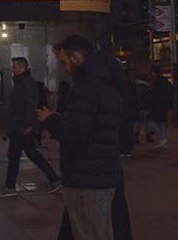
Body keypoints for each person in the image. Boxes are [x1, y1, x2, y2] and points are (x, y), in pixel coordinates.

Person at [37, 36, 122, 240]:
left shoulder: (86, 87)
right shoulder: (107, 82)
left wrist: (51, 120)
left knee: (89, 232)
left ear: (75, 57)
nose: (63, 68)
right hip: (101, 171)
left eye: (64, 61)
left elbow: (75, 131)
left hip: (87, 176)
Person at [0, 57, 61, 197]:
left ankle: (10, 186)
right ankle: (54, 179)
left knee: (14, 156)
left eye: (15, 67)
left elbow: (31, 105)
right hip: (19, 126)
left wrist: (28, 124)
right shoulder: (22, 83)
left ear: (23, 68)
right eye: (13, 66)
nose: (13, 69)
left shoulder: (26, 84)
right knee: (32, 154)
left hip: (21, 127)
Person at [149, 67, 173, 148]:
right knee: (160, 122)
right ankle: (163, 139)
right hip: (162, 105)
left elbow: (156, 94)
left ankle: (162, 138)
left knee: (152, 121)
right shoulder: (164, 82)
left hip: (158, 105)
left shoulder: (157, 83)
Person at [118, 69, 138, 157]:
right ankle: (128, 150)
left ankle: (122, 150)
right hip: (130, 112)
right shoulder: (131, 85)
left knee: (122, 132)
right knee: (129, 132)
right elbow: (135, 98)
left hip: (122, 111)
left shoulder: (118, 85)